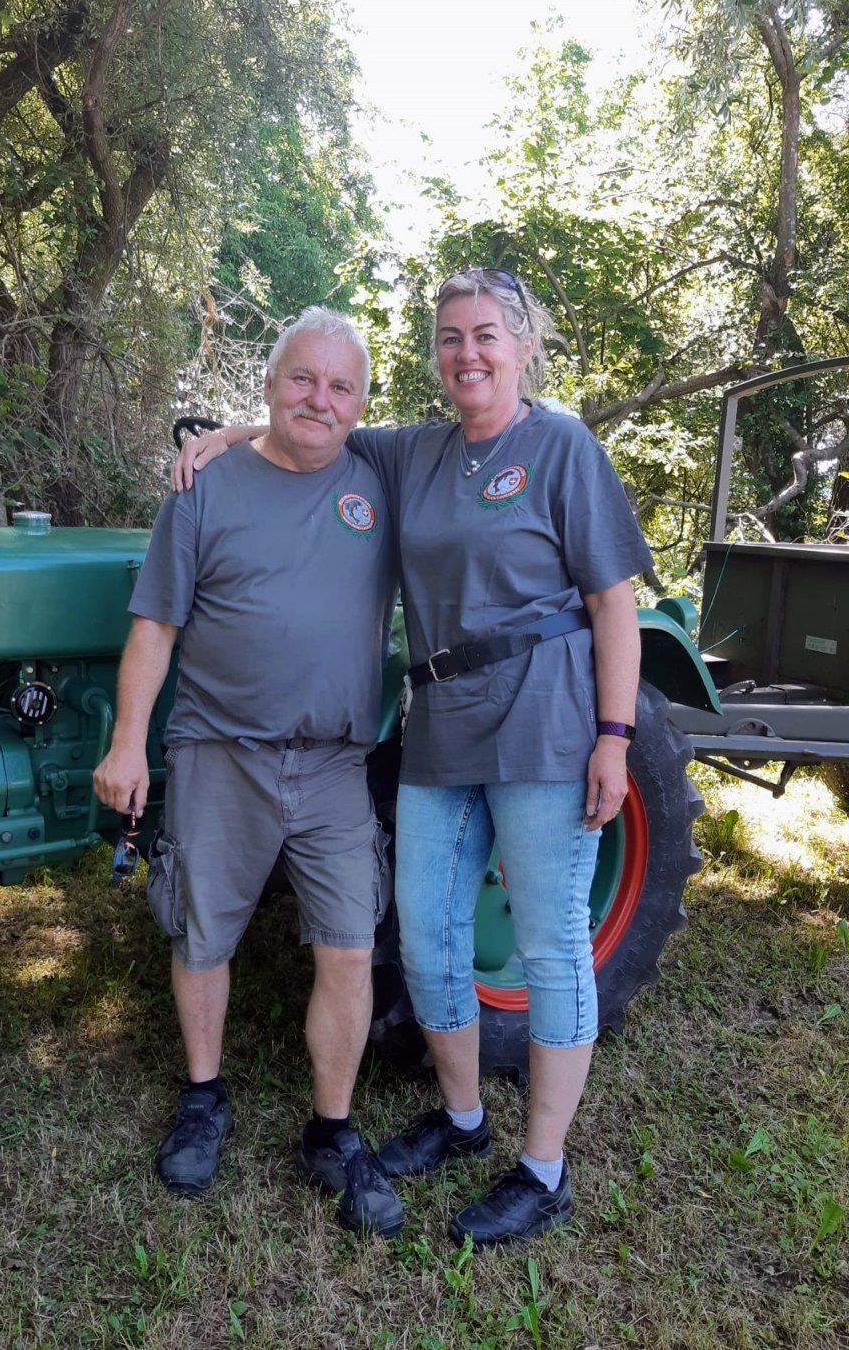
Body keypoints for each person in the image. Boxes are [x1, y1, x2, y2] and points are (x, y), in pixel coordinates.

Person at [174, 269, 654, 1247]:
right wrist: (218, 438)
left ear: (522, 347)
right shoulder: (416, 452)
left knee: (552, 944)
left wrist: (615, 737)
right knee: (429, 940)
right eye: (449, 337)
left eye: (485, 335)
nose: (466, 353)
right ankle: (464, 1118)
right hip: (440, 726)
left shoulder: (562, 445)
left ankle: (544, 1169)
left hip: (543, 721)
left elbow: (614, 604)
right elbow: (313, 425)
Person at [94, 307, 405, 1238]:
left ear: (361, 404)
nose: (320, 398)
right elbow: (155, 625)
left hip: (334, 761)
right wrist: (127, 741)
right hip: (219, 750)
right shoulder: (205, 488)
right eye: (301, 378)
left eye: (341, 385)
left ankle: (332, 1129)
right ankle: (203, 1096)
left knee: (349, 943)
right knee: (203, 931)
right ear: (269, 383)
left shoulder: (381, 480)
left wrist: (232, 428)